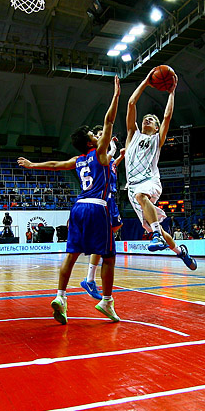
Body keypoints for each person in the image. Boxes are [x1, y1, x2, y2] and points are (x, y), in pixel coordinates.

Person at [18, 76, 121, 324]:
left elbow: (55, 164)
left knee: (71, 255)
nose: (97, 136)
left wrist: (33, 165)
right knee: (108, 257)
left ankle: (61, 297)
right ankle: (107, 301)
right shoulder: (99, 153)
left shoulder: (78, 160)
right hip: (98, 208)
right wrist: (116, 95)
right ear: (90, 142)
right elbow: (109, 121)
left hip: (77, 207)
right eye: (92, 134)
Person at [123, 66, 197, 270]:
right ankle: (180, 252)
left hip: (149, 182)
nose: (148, 119)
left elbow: (166, 117)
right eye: (146, 118)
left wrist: (172, 92)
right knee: (158, 228)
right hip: (132, 188)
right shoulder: (132, 135)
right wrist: (146, 81)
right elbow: (131, 103)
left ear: (156, 128)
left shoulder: (157, 139)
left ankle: (155, 234)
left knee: (142, 198)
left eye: (152, 120)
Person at [81, 126, 126, 300]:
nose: (102, 137)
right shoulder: (99, 156)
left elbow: (112, 165)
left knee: (117, 226)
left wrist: (120, 156)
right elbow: (107, 161)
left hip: (111, 198)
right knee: (103, 240)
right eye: (98, 135)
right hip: (103, 198)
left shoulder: (108, 159)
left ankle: (99, 247)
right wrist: (114, 149)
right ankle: (90, 278)